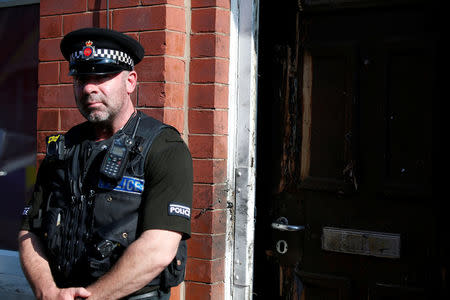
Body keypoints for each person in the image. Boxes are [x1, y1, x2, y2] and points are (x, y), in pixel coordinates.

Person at [18, 27, 192, 300]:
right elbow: (30, 231)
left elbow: (159, 247)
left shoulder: (163, 148)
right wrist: (47, 291)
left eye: (102, 76)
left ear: (130, 82)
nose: (89, 88)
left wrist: (91, 297)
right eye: (81, 78)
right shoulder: (63, 149)